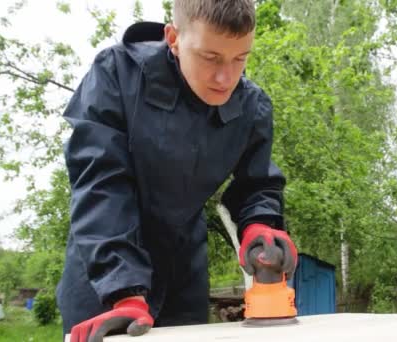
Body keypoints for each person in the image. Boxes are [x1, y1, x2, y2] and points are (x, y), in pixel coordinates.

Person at [55, 1, 298, 341]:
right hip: (103, 273)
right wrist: (124, 290)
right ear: (173, 38)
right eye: (210, 57)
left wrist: (261, 225)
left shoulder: (252, 106)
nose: (226, 77)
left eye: (240, 58)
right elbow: (100, 184)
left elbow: (256, 185)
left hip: (184, 273)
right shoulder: (117, 74)